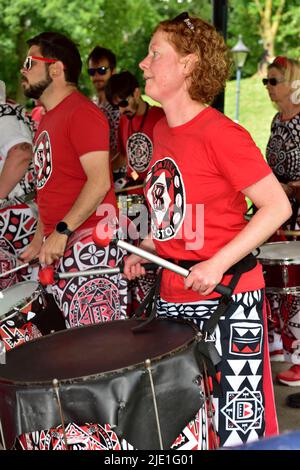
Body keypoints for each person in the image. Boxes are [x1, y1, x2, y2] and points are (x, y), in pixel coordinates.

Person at [124, 12, 292, 449]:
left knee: (237, 432)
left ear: (188, 65)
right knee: (185, 427)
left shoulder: (223, 134)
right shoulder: (162, 129)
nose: (143, 64)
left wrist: (216, 263)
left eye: (154, 54)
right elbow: (173, 213)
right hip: (173, 295)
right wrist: (146, 246)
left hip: (227, 300)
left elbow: (277, 207)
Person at [15, 31, 128, 451]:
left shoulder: (82, 114)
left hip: (90, 252)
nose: (23, 70)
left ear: (56, 68)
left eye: (31, 62)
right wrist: (42, 238)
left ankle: (109, 446)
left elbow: (99, 184)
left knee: (94, 360)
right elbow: (58, 186)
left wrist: (61, 233)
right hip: (64, 248)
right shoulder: (49, 117)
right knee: (68, 358)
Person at [105, 71, 164, 314]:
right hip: (132, 201)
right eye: (115, 106)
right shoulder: (124, 121)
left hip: (156, 200)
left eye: (123, 103)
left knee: (152, 258)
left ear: (137, 93)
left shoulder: (160, 117)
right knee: (131, 256)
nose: (121, 110)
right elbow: (124, 156)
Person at [263, 56, 300, 385]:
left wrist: (287, 187)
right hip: (278, 209)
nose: (269, 88)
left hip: (297, 210)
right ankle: (281, 343)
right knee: (278, 281)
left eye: (274, 81)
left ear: (294, 85)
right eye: (266, 82)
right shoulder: (277, 121)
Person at [0, 80, 37, 289]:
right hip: (15, 218)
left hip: (15, 217)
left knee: (15, 293)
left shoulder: (3, 114)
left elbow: (21, 151)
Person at [87, 46, 120, 160]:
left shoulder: (119, 105)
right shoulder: (93, 104)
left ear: (113, 71)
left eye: (101, 70)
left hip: (117, 174)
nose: (96, 76)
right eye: (91, 72)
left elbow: (122, 148)